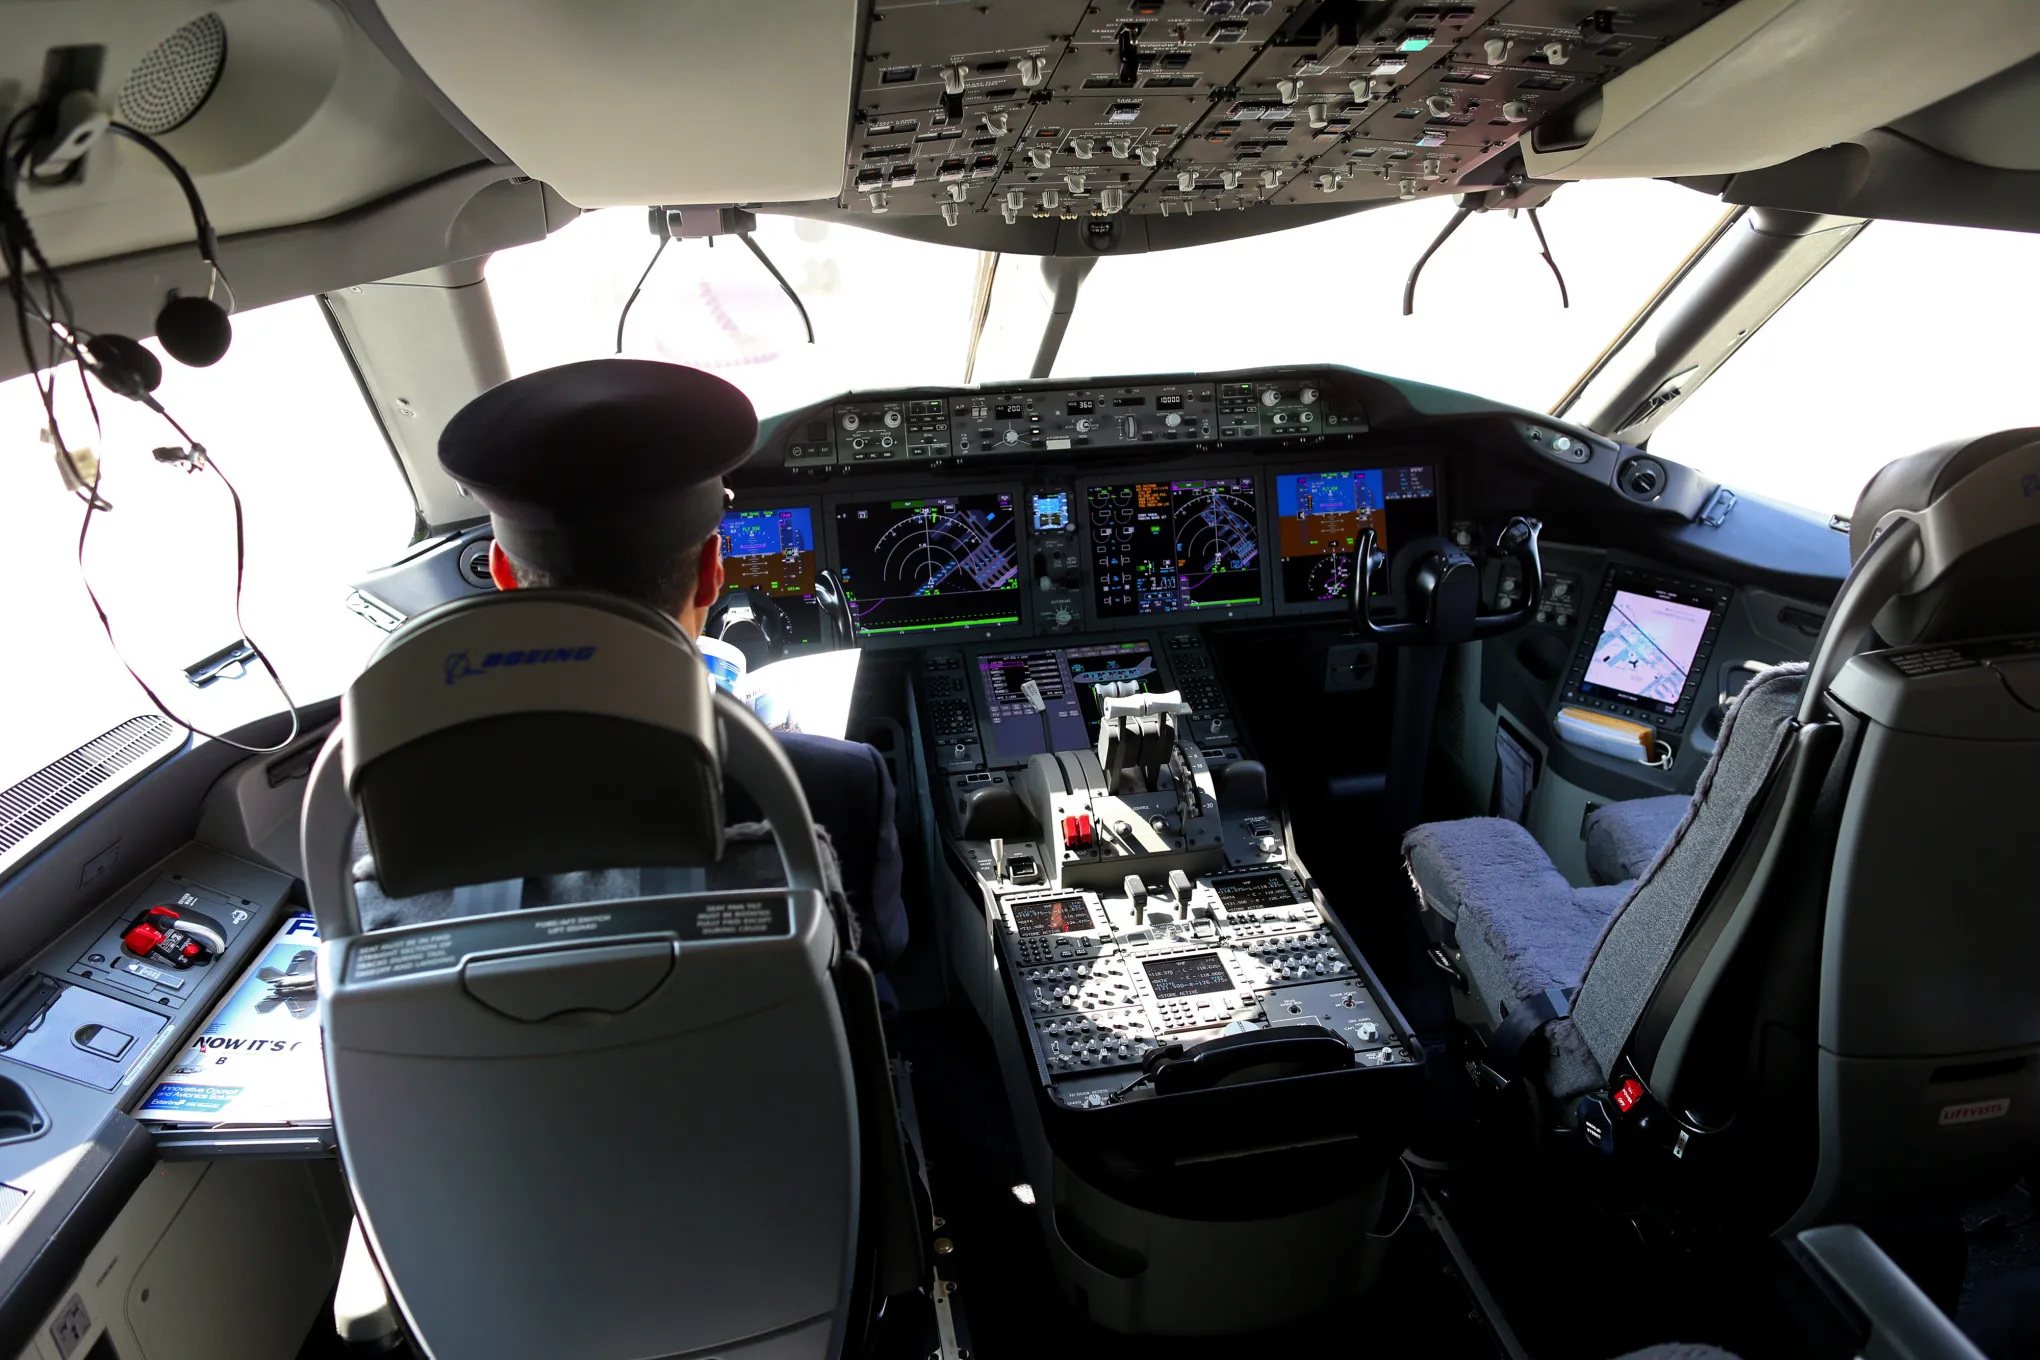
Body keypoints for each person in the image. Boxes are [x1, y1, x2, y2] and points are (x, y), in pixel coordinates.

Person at [433, 357, 908, 969]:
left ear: (502, 574)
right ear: (714, 572)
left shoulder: (400, 800)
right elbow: (883, 949)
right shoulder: (832, 782)